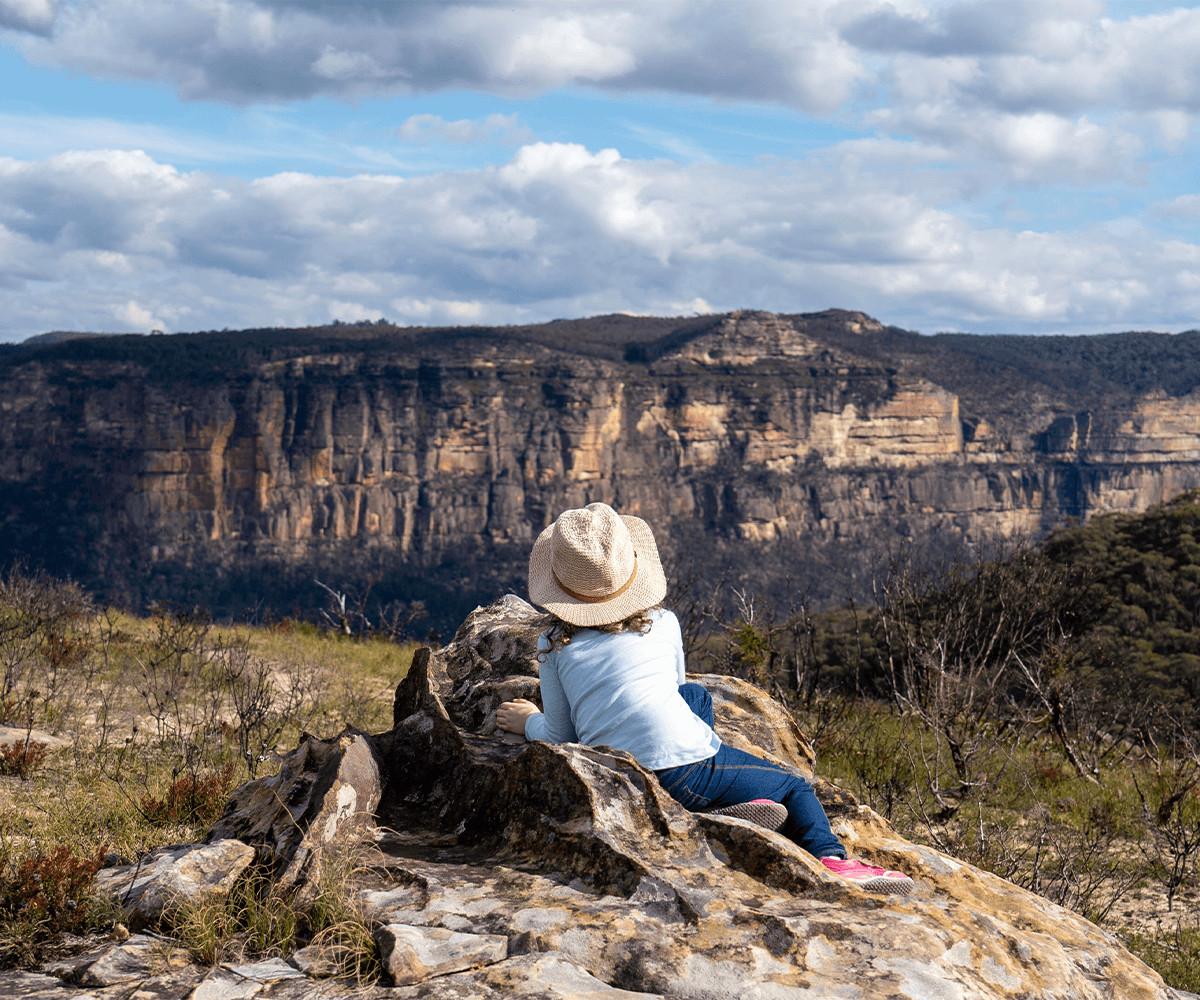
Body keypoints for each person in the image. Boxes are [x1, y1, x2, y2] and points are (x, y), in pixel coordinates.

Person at [496, 502, 912, 894]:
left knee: (695, 698)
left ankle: (711, 808)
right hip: (683, 773)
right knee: (794, 788)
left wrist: (529, 720)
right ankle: (834, 861)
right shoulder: (662, 622)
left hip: (619, 778)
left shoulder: (552, 641)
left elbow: (561, 734)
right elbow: (673, 689)